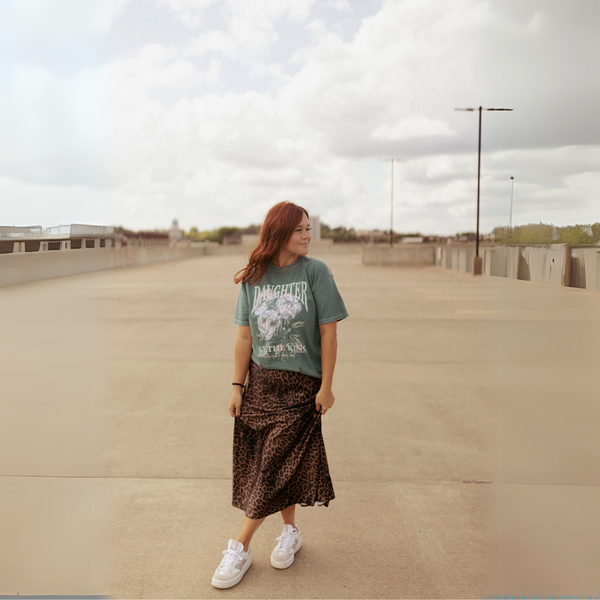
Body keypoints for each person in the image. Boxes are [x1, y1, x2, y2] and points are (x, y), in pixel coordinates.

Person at [211, 201, 349, 589]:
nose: (308, 235)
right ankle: (290, 531)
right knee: (277, 464)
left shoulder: (316, 272)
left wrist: (326, 386)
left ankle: (238, 548)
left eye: (309, 228)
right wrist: (237, 387)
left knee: (271, 465)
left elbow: (329, 332)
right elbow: (244, 335)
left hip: (301, 387)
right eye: (300, 230)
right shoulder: (255, 277)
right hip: (261, 386)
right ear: (279, 233)